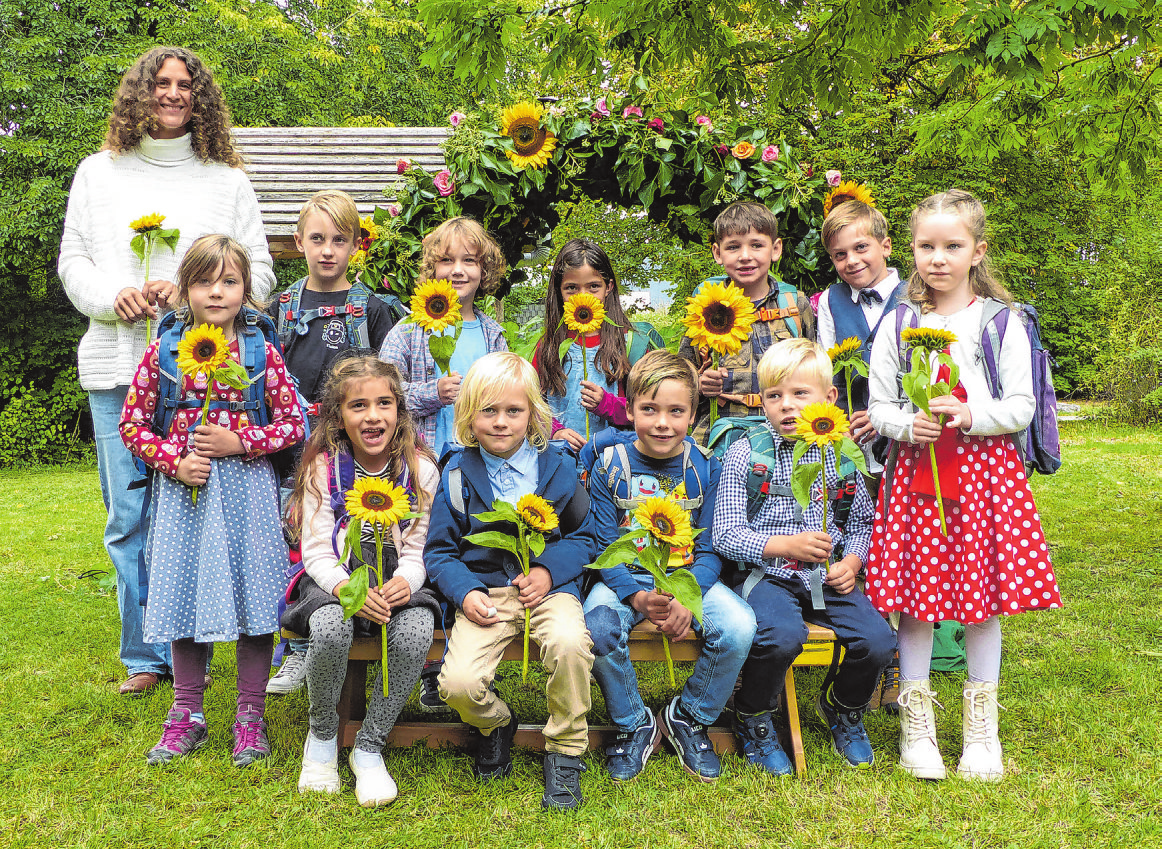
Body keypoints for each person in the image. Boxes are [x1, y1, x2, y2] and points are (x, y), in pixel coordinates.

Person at [59, 46, 274, 696]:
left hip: (206, 378)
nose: (173, 93)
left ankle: (201, 637)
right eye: (161, 83)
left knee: (198, 508)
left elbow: (260, 271)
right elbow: (73, 261)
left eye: (185, 84)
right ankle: (146, 656)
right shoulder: (97, 172)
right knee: (128, 515)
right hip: (117, 364)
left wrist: (191, 299)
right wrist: (112, 297)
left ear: (200, 96)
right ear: (140, 92)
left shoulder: (227, 181)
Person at [866, 189, 1062, 781]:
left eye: (953, 246)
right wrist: (910, 424)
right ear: (911, 251)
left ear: (977, 251)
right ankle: (917, 727)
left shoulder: (1001, 322)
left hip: (984, 474)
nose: (938, 258)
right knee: (917, 600)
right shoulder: (899, 321)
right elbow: (880, 406)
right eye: (926, 246)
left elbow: (1023, 405)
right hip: (917, 473)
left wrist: (971, 414)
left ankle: (982, 730)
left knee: (981, 601)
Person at [119, 235, 304, 766]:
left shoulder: (260, 352)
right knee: (185, 595)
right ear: (185, 290)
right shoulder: (164, 352)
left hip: (248, 496)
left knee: (255, 600)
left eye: (229, 281)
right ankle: (186, 713)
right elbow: (132, 424)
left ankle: (250, 715)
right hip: (185, 497)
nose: (217, 292)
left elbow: (294, 423)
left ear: (245, 289)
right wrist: (173, 461)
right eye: (203, 281)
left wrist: (240, 441)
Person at [712, 338, 896, 775]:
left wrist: (852, 563)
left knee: (878, 640)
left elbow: (862, 524)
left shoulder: (843, 455)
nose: (787, 406)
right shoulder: (747, 451)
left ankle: (843, 706)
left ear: (829, 397)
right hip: (765, 573)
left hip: (825, 576)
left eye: (799, 393)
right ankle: (753, 713)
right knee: (780, 636)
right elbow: (725, 534)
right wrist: (783, 546)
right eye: (774, 396)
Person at [424, 352, 596, 811]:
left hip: (548, 591)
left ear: (533, 414)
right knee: (458, 683)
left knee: (570, 645)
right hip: (485, 595)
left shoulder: (557, 467)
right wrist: (466, 592)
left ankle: (565, 749)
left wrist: (548, 570)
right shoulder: (456, 473)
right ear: (468, 415)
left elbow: (585, 537)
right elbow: (439, 551)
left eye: (513, 411)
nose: (501, 422)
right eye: (488, 410)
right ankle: (495, 723)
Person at [583, 350, 756, 782]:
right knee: (596, 629)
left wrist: (684, 595)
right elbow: (605, 548)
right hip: (625, 578)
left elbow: (712, 549)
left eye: (676, 411)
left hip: (687, 575)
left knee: (738, 627)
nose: (663, 423)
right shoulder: (610, 467)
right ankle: (633, 721)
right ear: (629, 410)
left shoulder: (704, 467)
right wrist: (638, 596)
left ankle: (690, 715)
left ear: (693, 414)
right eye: (649, 409)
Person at [282, 355, 439, 806]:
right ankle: (322, 736)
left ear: (399, 411)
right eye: (359, 406)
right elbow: (316, 549)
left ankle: (370, 746)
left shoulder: (420, 470)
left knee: (416, 630)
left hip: (397, 581)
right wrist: (345, 589)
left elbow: (418, 546)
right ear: (338, 417)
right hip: (334, 578)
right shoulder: (324, 468)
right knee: (330, 627)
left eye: (384, 403)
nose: (373, 415)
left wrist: (407, 580)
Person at [266, 189, 398, 698]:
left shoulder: (374, 311)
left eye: (339, 240)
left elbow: (390, 385)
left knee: (355, 544)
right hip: (293, 452)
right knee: (295, 546)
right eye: (317, 239)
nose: (327, 250)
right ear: (299, 241)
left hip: (356, 455)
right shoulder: (278, 311)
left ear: (356, 245)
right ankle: (297, 647)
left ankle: (364, 639)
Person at [817, 199, 908, 711]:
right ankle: (868, 652)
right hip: (853, 444)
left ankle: (896, 654)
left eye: (861, 248)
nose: (851, 261)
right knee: (861, 535)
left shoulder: (916, 295)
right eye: (839, 255)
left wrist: (889, 414)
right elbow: (827, 367)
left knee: (898, 544)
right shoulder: (830, 303)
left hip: (906, 442)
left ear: (885, 245)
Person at [679, 201, 815, 442]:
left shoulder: (795, 305)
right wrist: (699, 384)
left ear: (775, 249)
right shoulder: (703, 306)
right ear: (717, 253)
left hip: (786, 434)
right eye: (733, 247)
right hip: (720, 435)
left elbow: (815, 371)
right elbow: (679, 376)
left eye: (756, 245)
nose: (745, 256)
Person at [379, 216, 508, 458]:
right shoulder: (407, 332)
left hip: (480, 459)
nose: (457, 270)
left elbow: (508, 398)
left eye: (469, 260)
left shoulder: (494, 337)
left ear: (484, 270)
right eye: (447, 260)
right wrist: (434, 394)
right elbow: (382, 396)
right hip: (421, 459)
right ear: (432, 268)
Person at [533, 239, 665, 451]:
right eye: (571, 288)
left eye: (593, 286)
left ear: (608, 287)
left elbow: (654, 407)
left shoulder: (631, 344)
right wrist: (554, 430)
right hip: (561, 457)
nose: (583, 297)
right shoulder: (549, 347)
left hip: (617, 459)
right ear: (559, 290)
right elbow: (531, 403)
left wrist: (607, 405)